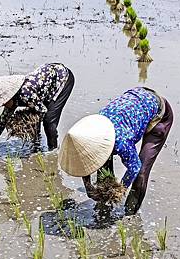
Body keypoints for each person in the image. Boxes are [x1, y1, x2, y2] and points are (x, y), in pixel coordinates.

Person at [58, 87, 173, 215]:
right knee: (102, 163)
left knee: (141, 172)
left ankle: (130, 214)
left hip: (159, 113)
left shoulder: (120, 141)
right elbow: (87, 159)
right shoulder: (92, 129)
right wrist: (88, 187)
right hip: (134, 99)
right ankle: (103, 205)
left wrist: (118, 190)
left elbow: (134, 168)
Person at [0, 63, 74, 152]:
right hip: (46, 87)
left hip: (63, 79)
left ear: (9, 97)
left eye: (3, 103)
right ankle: (36, 145)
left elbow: (42, 110)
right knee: (34, 112)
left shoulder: (25, 93)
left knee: (49, 120)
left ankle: (53, 150)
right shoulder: (12, 99)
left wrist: (25, 122)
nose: (3, 105)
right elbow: (2, 121)